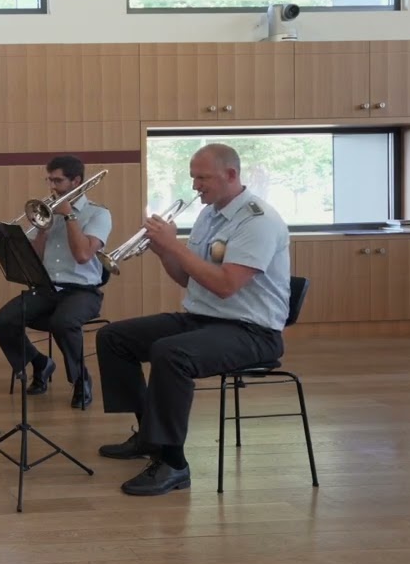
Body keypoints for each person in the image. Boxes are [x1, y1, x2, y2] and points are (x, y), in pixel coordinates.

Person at [95, 144, 291, 496]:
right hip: (204, 318)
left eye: (203, 178)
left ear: (231, 175)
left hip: (252, 331)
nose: (195, 186)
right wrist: (163, 252)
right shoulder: (211, 213)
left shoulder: (257, 220)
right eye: (193, 178)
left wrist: (177, 247)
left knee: (171, 354)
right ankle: (149, 437)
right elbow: (188, 278)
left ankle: (173, 463)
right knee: (114, 337)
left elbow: (227, 285)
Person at [0, 155, 111, 408]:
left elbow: (83, 255)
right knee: (1, 322)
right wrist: (43, 227)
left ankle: (81, 381)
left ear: (76, 180)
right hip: (47, 289)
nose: (52, 187)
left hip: (83, 291)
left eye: (58, 180)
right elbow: (36, 258)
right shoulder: (49, 211)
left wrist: (69, 217)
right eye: (50, 180)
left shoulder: (98, 214)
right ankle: (41, 363)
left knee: (62, 323)